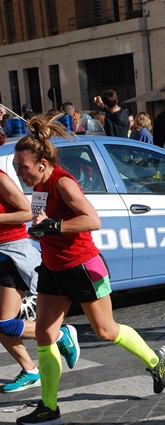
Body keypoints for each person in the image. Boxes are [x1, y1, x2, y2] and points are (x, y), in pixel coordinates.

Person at [12, 115, 165, 425]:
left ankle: (156, 361)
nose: (19, 173)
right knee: (44, 333)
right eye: (16, 167)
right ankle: (48, 408)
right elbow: (47, 223)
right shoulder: (40, 185)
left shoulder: (62, 182)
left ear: (42, 163)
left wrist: (53, 226)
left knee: (105, 331)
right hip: (54, 267)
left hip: (83, 266)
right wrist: (42, 231)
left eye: (23, 167)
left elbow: (93, 220)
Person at [0, 136, 78, 393]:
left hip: (12, 253)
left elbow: (26, 212)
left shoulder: (1, 177)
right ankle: (31, 369)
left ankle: (60, 334)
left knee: (3, 323)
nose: (20, 172)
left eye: (21, 166)